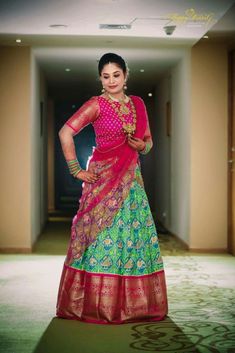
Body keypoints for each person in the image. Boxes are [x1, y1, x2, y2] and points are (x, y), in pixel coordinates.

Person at [56, 52, 168, 324]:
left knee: (133, 239)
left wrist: (142, 146)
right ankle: (98, 305)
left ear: (126, 75)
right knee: (100, 239)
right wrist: (76, 170)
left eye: (116, 75)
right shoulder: (96, 104)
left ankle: (135, 306)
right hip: (103, 181)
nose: (111, 81)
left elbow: (149, 142)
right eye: (105, 76)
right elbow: (65, 132)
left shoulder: (139, 105)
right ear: (100, 78)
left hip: (132, 184)